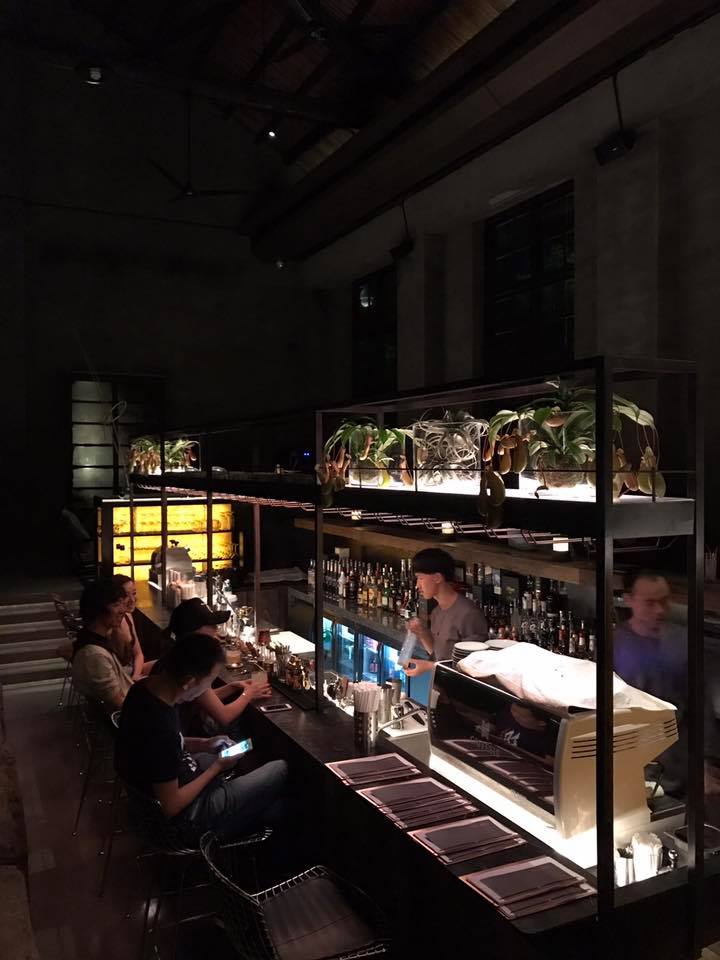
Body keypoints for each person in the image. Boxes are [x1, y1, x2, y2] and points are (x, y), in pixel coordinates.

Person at [114, 631, 287, 840]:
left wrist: (204, 743)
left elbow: (161, 746)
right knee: (280, 769)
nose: (208, 690)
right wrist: (217, 767)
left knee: (268, 800)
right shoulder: (161, 727)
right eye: (209, 683)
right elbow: (171, 805)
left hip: (178, 780)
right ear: (189, 682)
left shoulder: (143, 689)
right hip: (186, 819)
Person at [614, 570, 687, 794]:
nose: (659, 610)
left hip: (678, 767)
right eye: (650, 603)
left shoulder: (682, 642)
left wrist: (705, 764)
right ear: (628, 600)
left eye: (664, 601)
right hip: (630, 764)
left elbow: (698, 703)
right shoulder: (614, 644)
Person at [166, 598, 272, 733]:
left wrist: (231, 687)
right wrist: (248, 694)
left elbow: (198, 696)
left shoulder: (179, 655)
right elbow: (224, 716)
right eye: (211, 625)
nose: (216, 629)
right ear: (196, 632)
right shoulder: (193, 664)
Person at [403, 548, 488, 678]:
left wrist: (430, 666)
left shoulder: (468, 614)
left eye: (420, 578)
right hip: (440, 685)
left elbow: (474, 666)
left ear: (437, 578)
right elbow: (438, 655)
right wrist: (421, 633)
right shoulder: (437, 612)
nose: (417, 585)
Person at [72, 579, 134, 712]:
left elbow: (125, 658)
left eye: (123, 604)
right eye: (117, 605)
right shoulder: (94, 654)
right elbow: (119, 703)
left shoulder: (97, 638)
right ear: (98, 609)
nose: (123, 610)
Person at [110, 575, 152, 680]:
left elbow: (138, 654)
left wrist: (136, 676)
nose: (132, 600)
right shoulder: (109, 625)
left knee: (169, 664)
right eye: (126, 595)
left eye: (134, 593)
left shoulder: (128, 616)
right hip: (120, 677)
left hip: (133, 672)